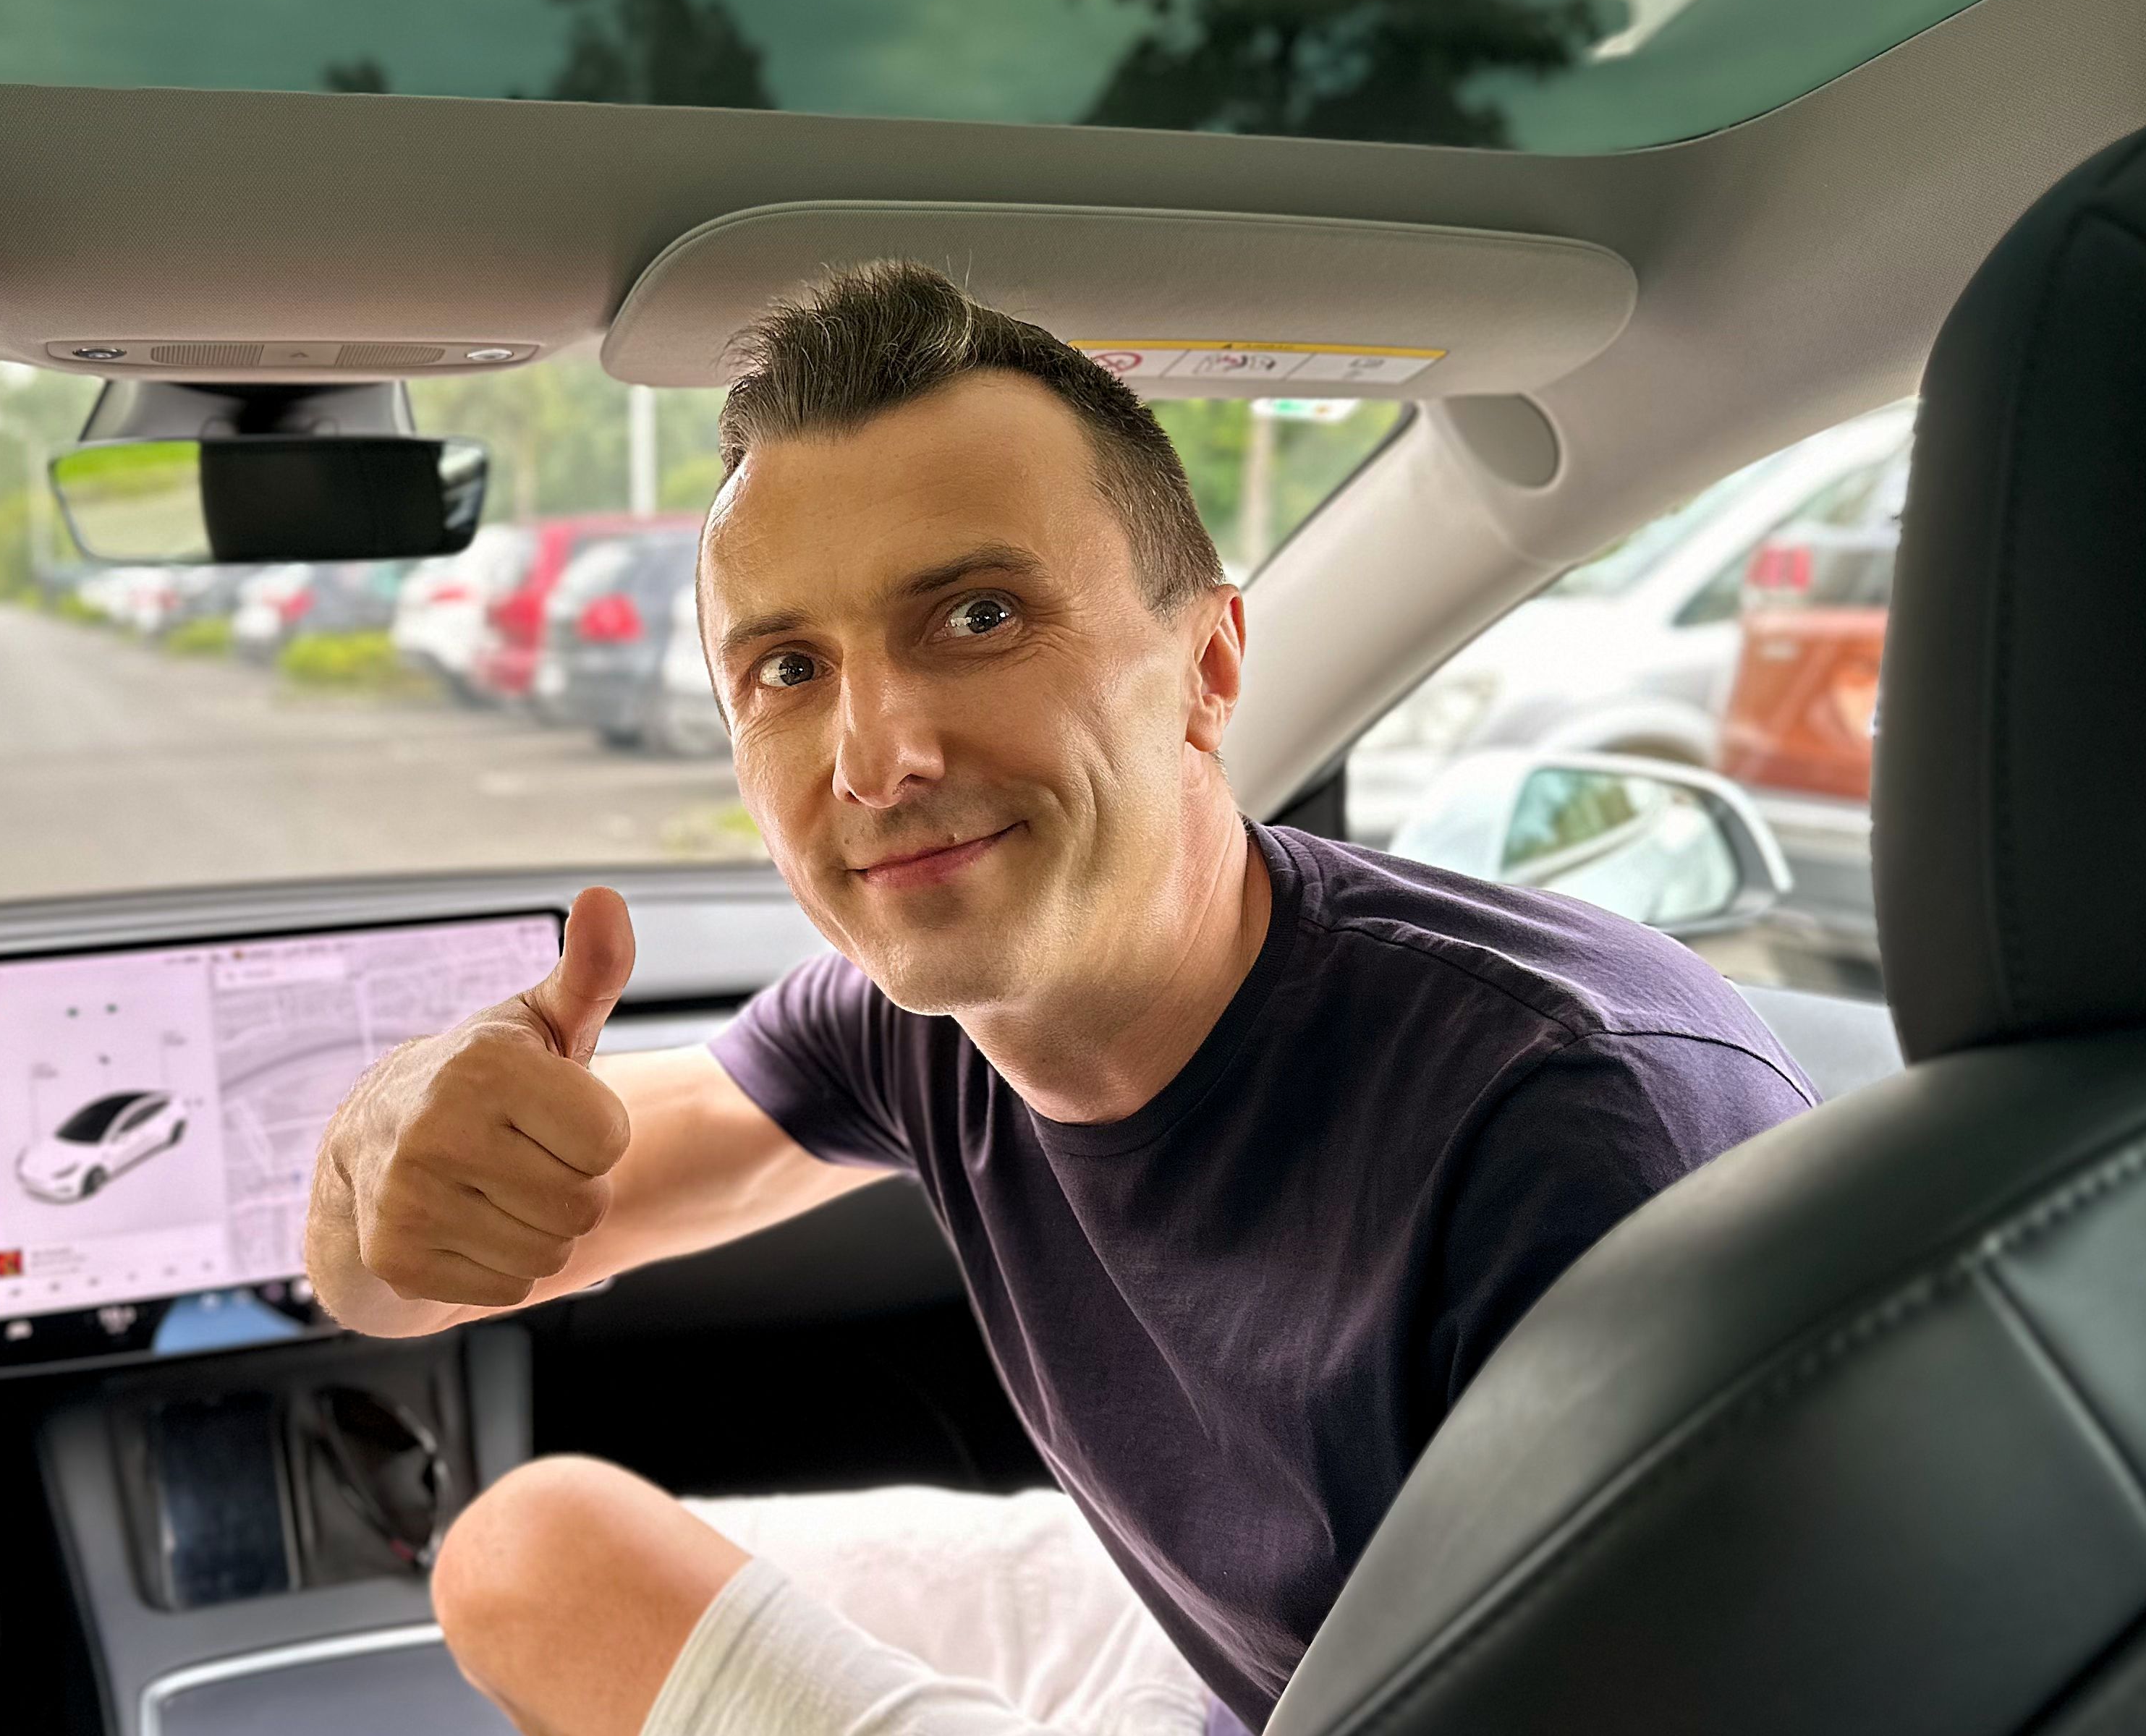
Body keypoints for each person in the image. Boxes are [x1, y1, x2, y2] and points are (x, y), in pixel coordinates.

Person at [302, 262, 1815, 1736]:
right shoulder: (910, 1026)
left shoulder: (1570, 1132)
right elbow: (423, 1270)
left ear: (1209, 665)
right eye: (787, 669)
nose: (874, 758)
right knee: (522, 1555)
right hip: (1228, 1661)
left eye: (975, 618)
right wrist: (381, 1156)